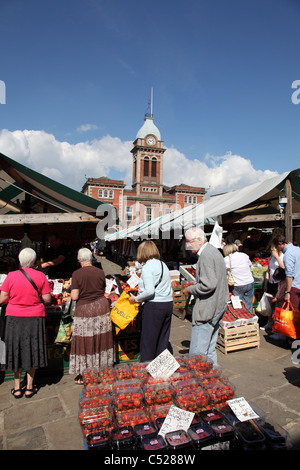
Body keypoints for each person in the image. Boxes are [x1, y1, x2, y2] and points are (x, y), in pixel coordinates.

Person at [0, 248, 52, 398]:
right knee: (32, 349)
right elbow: (47, 299)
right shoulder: (41, 276)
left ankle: (17, 388)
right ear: (34, 261)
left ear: (19, 260)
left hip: (14, 319)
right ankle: (29, 387)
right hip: (35, 318)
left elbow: (2, 299)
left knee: (16, 350)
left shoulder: (11, 276)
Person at [182, 227, 229, 367]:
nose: (187, 245)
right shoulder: (213, 251)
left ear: (199, 240)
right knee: (209, 349)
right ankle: (214, 379)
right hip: (217, 305)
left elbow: (208, 284)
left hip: (208, 308)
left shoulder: (206, 255)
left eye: (189, 242)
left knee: (198, 354)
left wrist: (190, 289)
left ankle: (199, 381)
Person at [69, 248, 114, 384]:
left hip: (85, 310)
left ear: (79, 260)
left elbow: (75, 296)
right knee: (100, 338)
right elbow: (103, 290)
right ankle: (102, 370)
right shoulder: (100, 272)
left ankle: (85, 373)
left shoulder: (76, 274)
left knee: (85, 340)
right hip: (101, 308)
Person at [129, 241, 173, 362]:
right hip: (167, 304)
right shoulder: (163, 264)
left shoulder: (147, 267)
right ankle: (161, 370)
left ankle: (146, 368)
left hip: (154, 306)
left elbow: (149, 291)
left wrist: (136, 299)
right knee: (162, 340)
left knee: (148, 340)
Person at [223, 243, 255, 313]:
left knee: (238, 306)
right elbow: (250, 265)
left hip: (238, 284)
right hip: (249, 282)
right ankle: (250, 319)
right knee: (249, 304)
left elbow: (222, 272)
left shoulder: (226, 259)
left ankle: (241, 320)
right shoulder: (244, 255)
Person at [272, 235, 300, 310]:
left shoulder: (288, 254)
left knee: (294, 312)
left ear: (280, 244)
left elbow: (289, 275)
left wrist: (287, 292)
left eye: (276, 247)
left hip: (295, 286)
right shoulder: (297, 249)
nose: (277, 249)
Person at [261, 243, 285, 332]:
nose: (271, 252)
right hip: (271, 282)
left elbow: (283, 267)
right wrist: (266, 283)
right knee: (269, 304)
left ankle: (277, 325)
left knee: (278, 304)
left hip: (279, 283)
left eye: (272, 250)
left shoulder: (283, 257)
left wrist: (277, 258)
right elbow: (268, 270)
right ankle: (269, 323)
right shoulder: (271, 258)